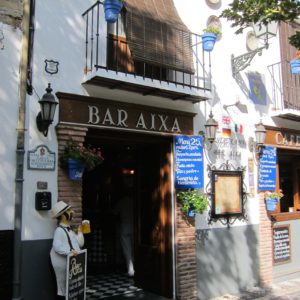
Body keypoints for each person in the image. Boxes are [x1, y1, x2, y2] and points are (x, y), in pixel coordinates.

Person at [50, 201, 84, 299]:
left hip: (71, 263)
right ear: (63, 215)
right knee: (61, 288)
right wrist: (69, 252)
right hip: (60, 263)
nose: (72, 211)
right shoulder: (59, 230)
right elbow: (57, 246)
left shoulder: (70, 230)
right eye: (69, 210)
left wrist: (80, 232)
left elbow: (80, 243)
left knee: (70, 287)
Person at [114, 190, 134, 277]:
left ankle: (131, 270)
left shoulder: (121, 202)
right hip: (134, 227)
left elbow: (114, 212)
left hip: (124, 227)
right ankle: (135, 269)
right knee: (133, 249)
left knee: (127, 249)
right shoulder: (134, 202)